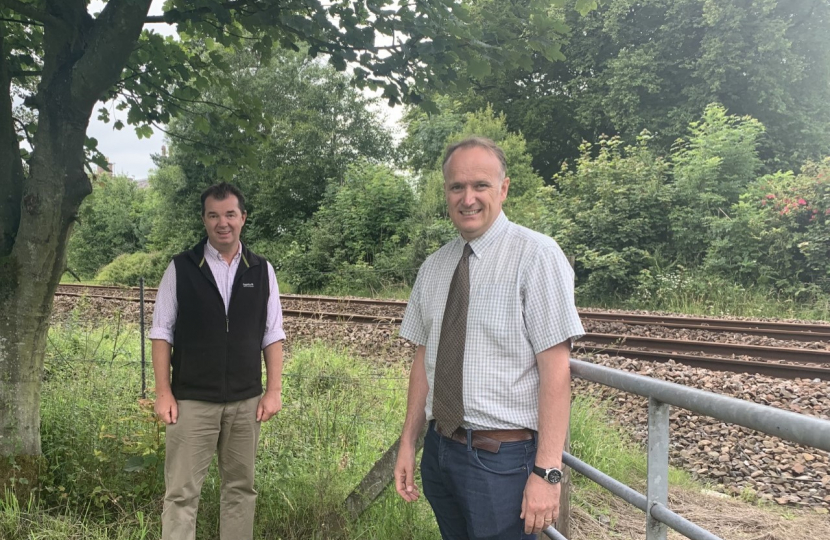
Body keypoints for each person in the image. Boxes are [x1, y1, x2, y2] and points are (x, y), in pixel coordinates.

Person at [393, 137, 584, 539]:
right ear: (445, 192)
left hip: (503, 463)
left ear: (504, 188)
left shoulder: (537, 256)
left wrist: (547, 472)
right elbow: (423, 363)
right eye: (456, 187)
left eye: (480, 185)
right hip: (441, 453)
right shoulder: (434, 266)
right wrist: (408, 443)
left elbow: (556, 372)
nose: (468, 198)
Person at [150, 182, 285, 540]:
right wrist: (163, 391)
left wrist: (274, 390)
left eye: (229, 214)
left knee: (241, 490)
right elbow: (161, 332)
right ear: (204, 219)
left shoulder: (261, 270)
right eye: (213, 215)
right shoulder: (180, 268)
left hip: (245, 401)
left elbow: (272, 334)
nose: (221, 223)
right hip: (191, 401)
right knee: (181, 494)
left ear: (243, 218)